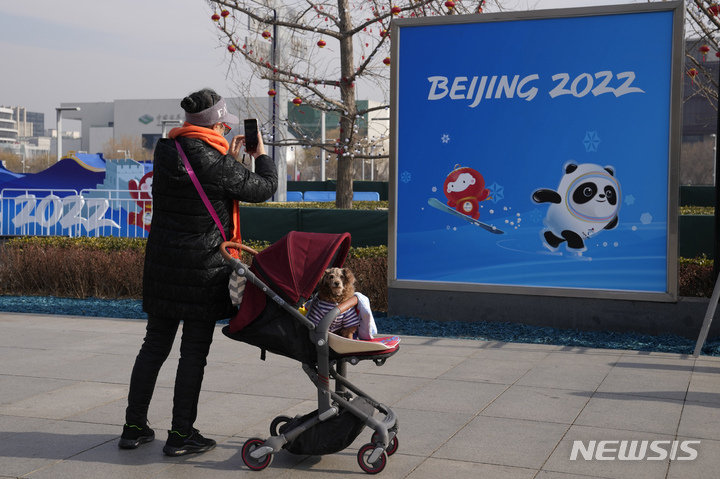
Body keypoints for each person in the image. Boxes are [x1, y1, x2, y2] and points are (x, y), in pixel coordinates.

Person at [119, 88, 278, 456]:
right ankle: (181, 434)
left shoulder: (166, 150)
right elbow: (264, 188)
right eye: (224, 124)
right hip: (203, 270)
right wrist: (260, 156)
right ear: (218, 124)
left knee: (154, 346)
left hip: (163, 266)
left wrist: (232, 159)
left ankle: (133, 428)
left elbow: (203, 183)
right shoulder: (215, 162)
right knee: (193, 352)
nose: (226, 130)